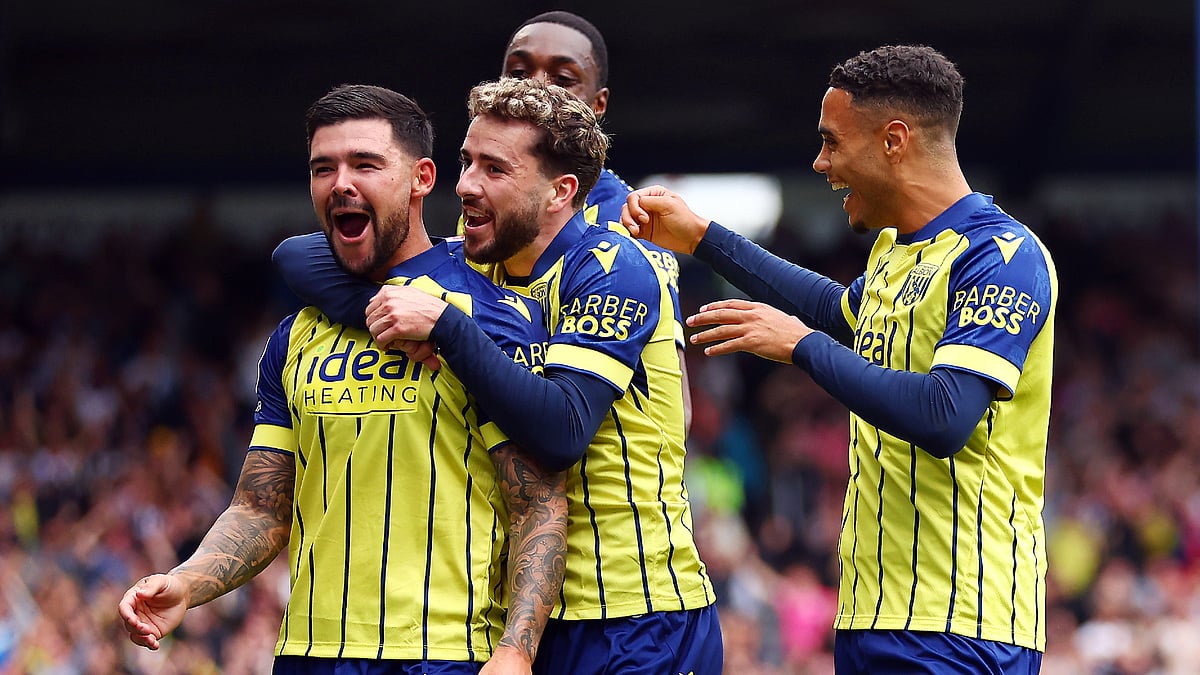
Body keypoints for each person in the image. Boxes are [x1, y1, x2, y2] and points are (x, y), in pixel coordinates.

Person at [622, 44, 1056, 674]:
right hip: (873, 613)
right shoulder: (896, 251)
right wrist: (703, 238)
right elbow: (833, 309)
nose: (820, 163)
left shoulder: (1003, 256)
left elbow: (945, 416)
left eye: (831, 142)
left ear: (894, 140)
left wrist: (799, 346)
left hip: (963, 621)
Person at [272, 76, 721, 675]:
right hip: (529, 610)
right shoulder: (480, 264)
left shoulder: (613, 268)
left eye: (494, 169)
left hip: (633, 609)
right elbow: (296, 255)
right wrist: (408, 312)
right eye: (466, 162)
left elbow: (562, 431)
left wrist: (446, 327)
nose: (465, 185)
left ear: (560, 192)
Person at [117, 84, 567, 675]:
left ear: (422, 178)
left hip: (442, 655)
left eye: (365, 164)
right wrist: (186, 583)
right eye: (323, 168)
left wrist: (517, 649)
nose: (340, 184)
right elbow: (261, 509)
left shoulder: (490, 319)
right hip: (308, 655)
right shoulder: (294, 336)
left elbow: (538, 505)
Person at [276, 10, 693, 433]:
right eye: (519, 72)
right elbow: (299, 254)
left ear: (598, 104)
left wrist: (444, 323)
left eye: (562, 79)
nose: (537, 86)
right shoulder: (486, 223)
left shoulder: (629, 232)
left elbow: (674, 403)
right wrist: (394, 312)